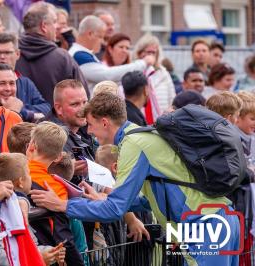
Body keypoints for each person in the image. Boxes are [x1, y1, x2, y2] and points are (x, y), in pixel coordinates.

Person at [30, 92, 239, 266]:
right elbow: (155, 196)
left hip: (203, 225)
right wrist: (107, 199)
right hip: (217, 220)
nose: (90, 132)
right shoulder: (144, 134)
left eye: (91, 125)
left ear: (104, 122)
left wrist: (64, 205)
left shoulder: (134, 143)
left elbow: (114, 210)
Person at [0, 153, 66, 266]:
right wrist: (40, 257)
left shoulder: (19, 208)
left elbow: (30, 246)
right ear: (20, 181)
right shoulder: (1, 215)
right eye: (29, 173)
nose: (31, 178)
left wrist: (50, 252)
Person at [27, 121, 85, 266]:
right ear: (59, 157)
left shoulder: (15, 176)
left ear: (31, 146)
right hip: (50, 255)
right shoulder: (56, 187)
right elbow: (63, 236)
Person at [15, 2, 88, 105]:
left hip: (18, 119)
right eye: (54, 22)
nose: (57, 26)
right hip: (57, 120)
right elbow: (83, 96)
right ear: (44, 26)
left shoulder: (11, 55)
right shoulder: (62, 58)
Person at [69, 15, 154, 94]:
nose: (102, 41)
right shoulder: (79, 55)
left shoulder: (80, 53)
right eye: (100, 37)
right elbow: (108, 75)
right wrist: (142, 63)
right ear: (90, 34)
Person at [0, 32, 51, 122]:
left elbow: (46, 108)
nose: (2, 57)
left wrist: (22, 110)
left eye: (7, 53)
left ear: (17, 54)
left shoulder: (25, 82)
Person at [132, 34, 175, 120]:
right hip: (139, 121)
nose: (151, 56)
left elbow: (172, 98)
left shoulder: (164, 73)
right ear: (139, 53)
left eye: (153, 52)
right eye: (148, 52)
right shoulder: (133, 72)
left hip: (162, 122)